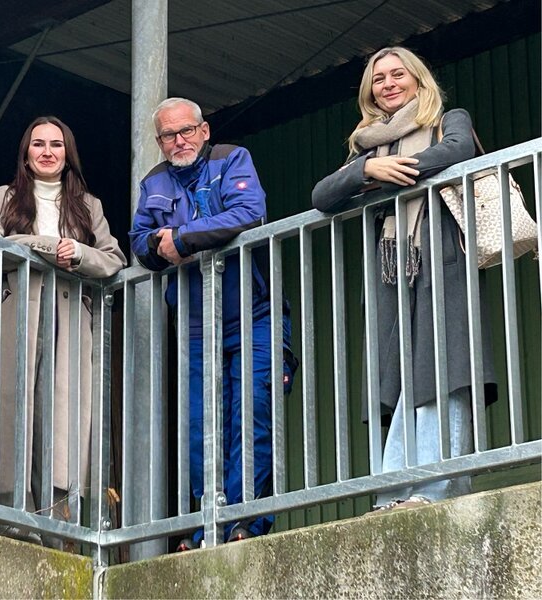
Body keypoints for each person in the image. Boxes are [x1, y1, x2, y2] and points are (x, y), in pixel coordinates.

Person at [312, 47, 497, 510]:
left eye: (398, 74)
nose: (389, 84)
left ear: (418, 79)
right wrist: (365, 169)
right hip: (392, 272)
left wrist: (392, 175)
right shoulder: (368, 147)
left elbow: (457, 149)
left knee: (445, 370)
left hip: (442, 259)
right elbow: (322, 194)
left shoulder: (447, 118)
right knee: (400, 379)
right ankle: (395, 491)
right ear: (370, 92)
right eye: (379, 79)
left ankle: (435, 490)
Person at [129, 97, 297, 550]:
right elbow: (139, 242)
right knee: (201, 430)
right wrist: (160, 245)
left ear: (203, 131)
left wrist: (182, 239)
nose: (179, 140)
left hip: (254, 314)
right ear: (159, 141)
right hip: (195, 325)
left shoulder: (231, 158)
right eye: (169, 135)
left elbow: (248, 212)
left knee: (252, 417)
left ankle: (245, 522)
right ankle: (208, 527)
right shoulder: (154, 182)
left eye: (186, 131)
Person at [0, 116, 126, 545]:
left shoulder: (88, 206)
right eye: (38, 144)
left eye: (56, 145)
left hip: (69, 319)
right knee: (6, 411)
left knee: (63, 420)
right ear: (25, 154)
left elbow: (114, 260)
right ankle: (5, 522)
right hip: (13, 314)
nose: (47, 152)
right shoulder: (1, 198)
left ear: (67, 154)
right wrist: (42, 247)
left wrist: (79, 254)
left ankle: (58, 527)